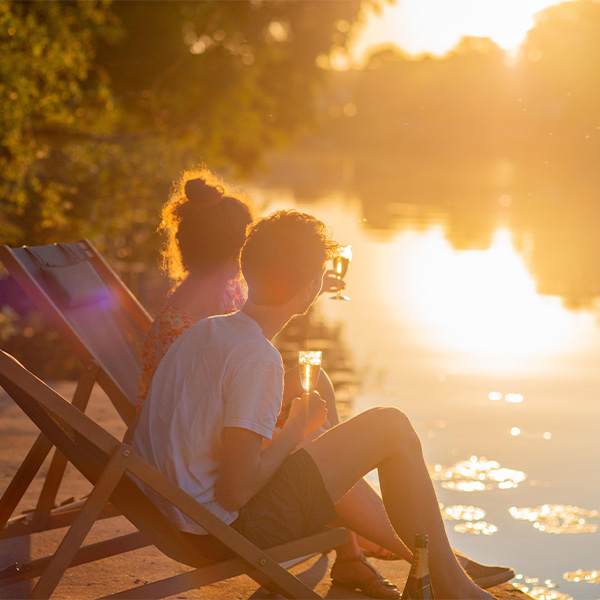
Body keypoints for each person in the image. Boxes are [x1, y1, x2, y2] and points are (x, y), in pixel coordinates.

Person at [133, 210, 513, 599]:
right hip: (219, 531)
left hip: (174, 513)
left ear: (248, 269)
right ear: (312, 287)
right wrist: (297, 429)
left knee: (314, 385)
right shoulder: (257, 357)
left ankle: (369, 559)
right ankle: (453, 587)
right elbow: (235, 492)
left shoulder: (207, 329)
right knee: (391, 426)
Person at [132, 171, 403, 597]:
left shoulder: (210, 311)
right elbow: (232, 476)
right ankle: (407, 544)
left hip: (184, 460)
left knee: (315, 391)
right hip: (201, 483)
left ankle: (359, 546)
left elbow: (256, 310)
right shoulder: (217, 330)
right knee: (331, 435)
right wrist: (294, 429)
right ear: (240, 251)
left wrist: (306, 286)